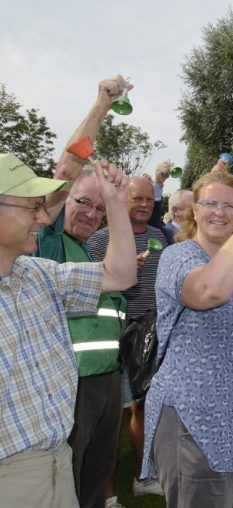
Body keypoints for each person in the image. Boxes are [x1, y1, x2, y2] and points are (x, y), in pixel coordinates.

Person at [140, 171, 233, 508]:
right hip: (196, 419)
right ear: (194, 211)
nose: (219, 212)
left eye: (229, 206)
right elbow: (210, 291)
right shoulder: (180, 257)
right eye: (210, 203)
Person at [0, 154, 136, 508]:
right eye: (33, 208)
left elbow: (121, 273)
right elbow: (64, 169)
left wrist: (117, 204)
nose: (44, 217)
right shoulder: (45, 258)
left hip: (56, 459)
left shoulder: (37, 274)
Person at [89, 176, 168, 498]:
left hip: (151, 332)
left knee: (145, 408)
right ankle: (106, 494)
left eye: (149, 200)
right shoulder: (100, 241)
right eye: (138, 199)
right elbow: (90, 289)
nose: (145, 206)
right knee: (113, 416)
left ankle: (142, 478)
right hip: (116, 333)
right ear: (122, 200)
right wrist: (120, 273)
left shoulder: (157, 236)